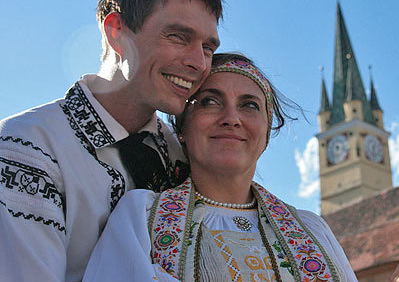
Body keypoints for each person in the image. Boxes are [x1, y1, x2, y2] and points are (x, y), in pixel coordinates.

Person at [0, 0, 223, 282]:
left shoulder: (185, 156)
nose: (198, 62)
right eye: (178, 36)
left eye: (207, 47)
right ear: (116, 31)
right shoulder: (28, 146)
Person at [83, 53, 358, 282]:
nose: (231, 118)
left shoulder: (313, 231)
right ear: (182, 128)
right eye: (210, 102)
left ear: (265, 133)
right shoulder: (141, 219)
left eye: (249, 105)